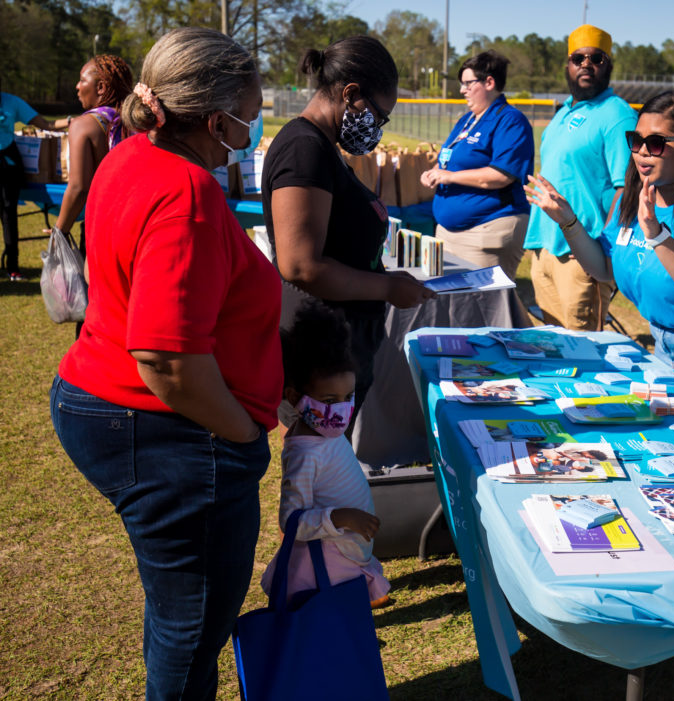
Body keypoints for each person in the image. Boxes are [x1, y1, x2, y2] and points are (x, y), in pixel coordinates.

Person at [49, 27, 281, 699]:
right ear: (218, 118)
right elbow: (165, 357)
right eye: (254, 104)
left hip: (115, 405)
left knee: (179, 605)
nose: (258, 117)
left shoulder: (132, 158)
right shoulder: (186, 194)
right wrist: (241, 434)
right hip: (161, 428)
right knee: (193, 622)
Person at [526, 89, 674, 411]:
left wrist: (657, 236)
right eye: (636, 141)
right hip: (659, 353)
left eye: (657, 143)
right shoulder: (633, 199)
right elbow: (604, 268)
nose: (643, 152)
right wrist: (568, 221)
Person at [262, 35, 435, 423]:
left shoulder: (323, 147)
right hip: (322, 344)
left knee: (330, 466)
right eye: (379, 115)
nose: (379, 128)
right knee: (319, 469)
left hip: (341, 339)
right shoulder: (303, 149)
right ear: (351, 93)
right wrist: (388, 287)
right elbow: (300, 265)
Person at [261, 300, 390, 607]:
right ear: (294, 397)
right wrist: (341, 517)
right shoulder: (304, 453)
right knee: (330, 616)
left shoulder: (324, 430)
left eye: (348, 397)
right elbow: (291, 520)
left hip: (343, 548)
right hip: (328, 557)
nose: (341, 408)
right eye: (329, 399)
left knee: (341, 615)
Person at [522, 24, 637, 330]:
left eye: (596, 59)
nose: (586, 64)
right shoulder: (563, 114)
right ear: (568, 65)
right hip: (544, 247)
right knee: (554, 350)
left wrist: (599, 247)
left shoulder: (617, 114)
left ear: (608, 65)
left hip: (580, 255)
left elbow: (626, 189)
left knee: (583, 353)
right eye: (578, 58)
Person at [419, 50, 534, 279]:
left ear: (489, 82)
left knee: (481, 309)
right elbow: (449, 162)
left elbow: (501, 175)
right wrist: (433, 173)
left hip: (486, 229)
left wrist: (448, 177)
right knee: (451, 307)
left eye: (467, 84)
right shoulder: (467, 119)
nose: (462, 90)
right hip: (449, 231)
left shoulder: (510, 120)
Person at [53, 55, 134, 256]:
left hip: (103, 227)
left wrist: (60, 233)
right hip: (141, 223)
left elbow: (79, 188)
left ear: (101, 88)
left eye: (82, 80)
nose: (77, 87)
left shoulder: (84, 125)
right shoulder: (140, 122)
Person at [0, 80, 62, 280]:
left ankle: (13, 268)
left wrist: (72, 121)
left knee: (8, 213)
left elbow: (45, 124)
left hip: (8, 164)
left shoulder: (12, 102)